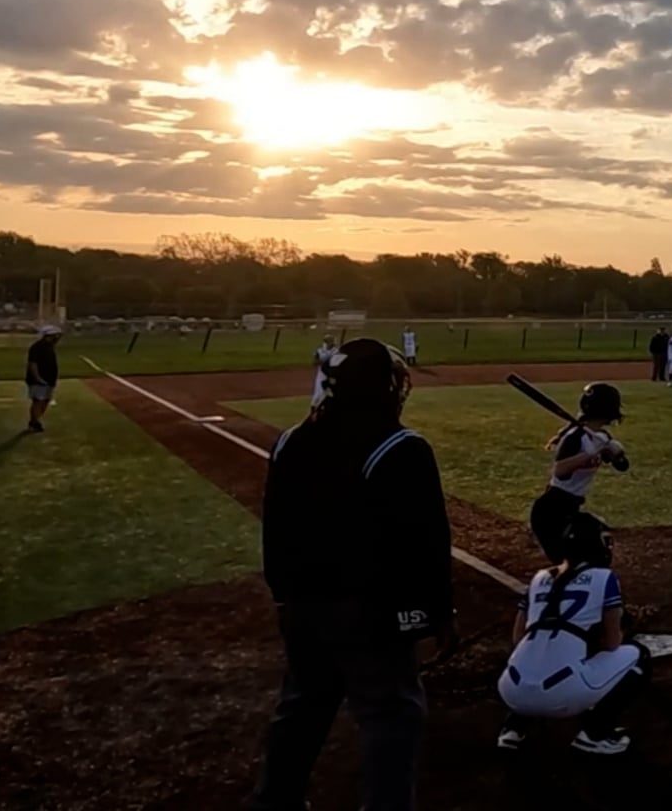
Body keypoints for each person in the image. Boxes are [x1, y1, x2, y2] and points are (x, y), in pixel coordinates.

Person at [249, 338, 455, 811]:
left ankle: (274, 800)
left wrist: (282, 595)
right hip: (368, 611)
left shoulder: (291, 440)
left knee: (303, 705)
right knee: (391, 715)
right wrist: (440, 612)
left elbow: (275, 524)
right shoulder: (402, 447)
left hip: (301, 604)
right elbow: (427, 541)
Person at [497, 512, 649, 756]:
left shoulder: (539, 578)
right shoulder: (604, 577)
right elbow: (612, 643)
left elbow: (518, 638)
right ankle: (595, 734)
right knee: (639, 654)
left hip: (510, 691)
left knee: (533, 654)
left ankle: (512, 729)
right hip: (563, 696)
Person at [529, 384, 628, 563]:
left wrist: (616, 454)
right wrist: (589, 454)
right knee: (576, 562)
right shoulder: (575, 437)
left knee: (597, 547)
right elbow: (560, 471)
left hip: (570, 508)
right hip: (550, 511)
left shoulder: (602, 437)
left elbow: (623, 467)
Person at [24, 325, 62, 432]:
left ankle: (35, 420)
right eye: (55, 336)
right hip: (39, 380)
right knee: (38, 401)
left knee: (45, 400)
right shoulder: (37, 347)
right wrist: (37, 378)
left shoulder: (49, 346)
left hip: (48, 380)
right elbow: (33, 364)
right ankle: (34, 422)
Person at [309, 333, 338, 410]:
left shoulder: (336, 351)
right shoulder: (319, 351)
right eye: (329, 341)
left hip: (331, 374)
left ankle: (321, 409)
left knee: (326, 393)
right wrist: (323, 362)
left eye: (331, 341)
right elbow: (314, 362)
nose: (330, 343)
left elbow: (336, 362)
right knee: (318, 393)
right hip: (321, 374)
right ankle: (313, 408)